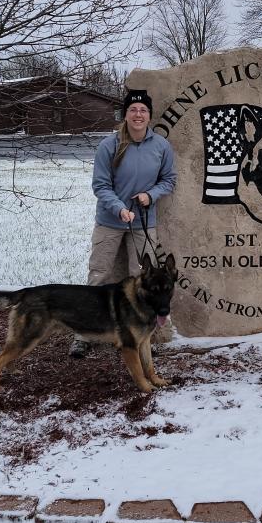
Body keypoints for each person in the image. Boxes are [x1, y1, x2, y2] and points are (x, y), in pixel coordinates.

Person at [70, 88, 177, 357]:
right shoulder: (110, 145)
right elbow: (101, 185)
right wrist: (118, 208)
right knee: (100, 275)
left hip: (143, 221)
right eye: (133, 109)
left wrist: (149, 195)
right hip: (110, 221)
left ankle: (142, 335)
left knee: (143, 280)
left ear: (149, 115)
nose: (138, 114)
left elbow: (169, 180)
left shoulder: (161, 146)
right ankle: (83, 335)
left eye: (143, 110)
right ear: (125, 114)